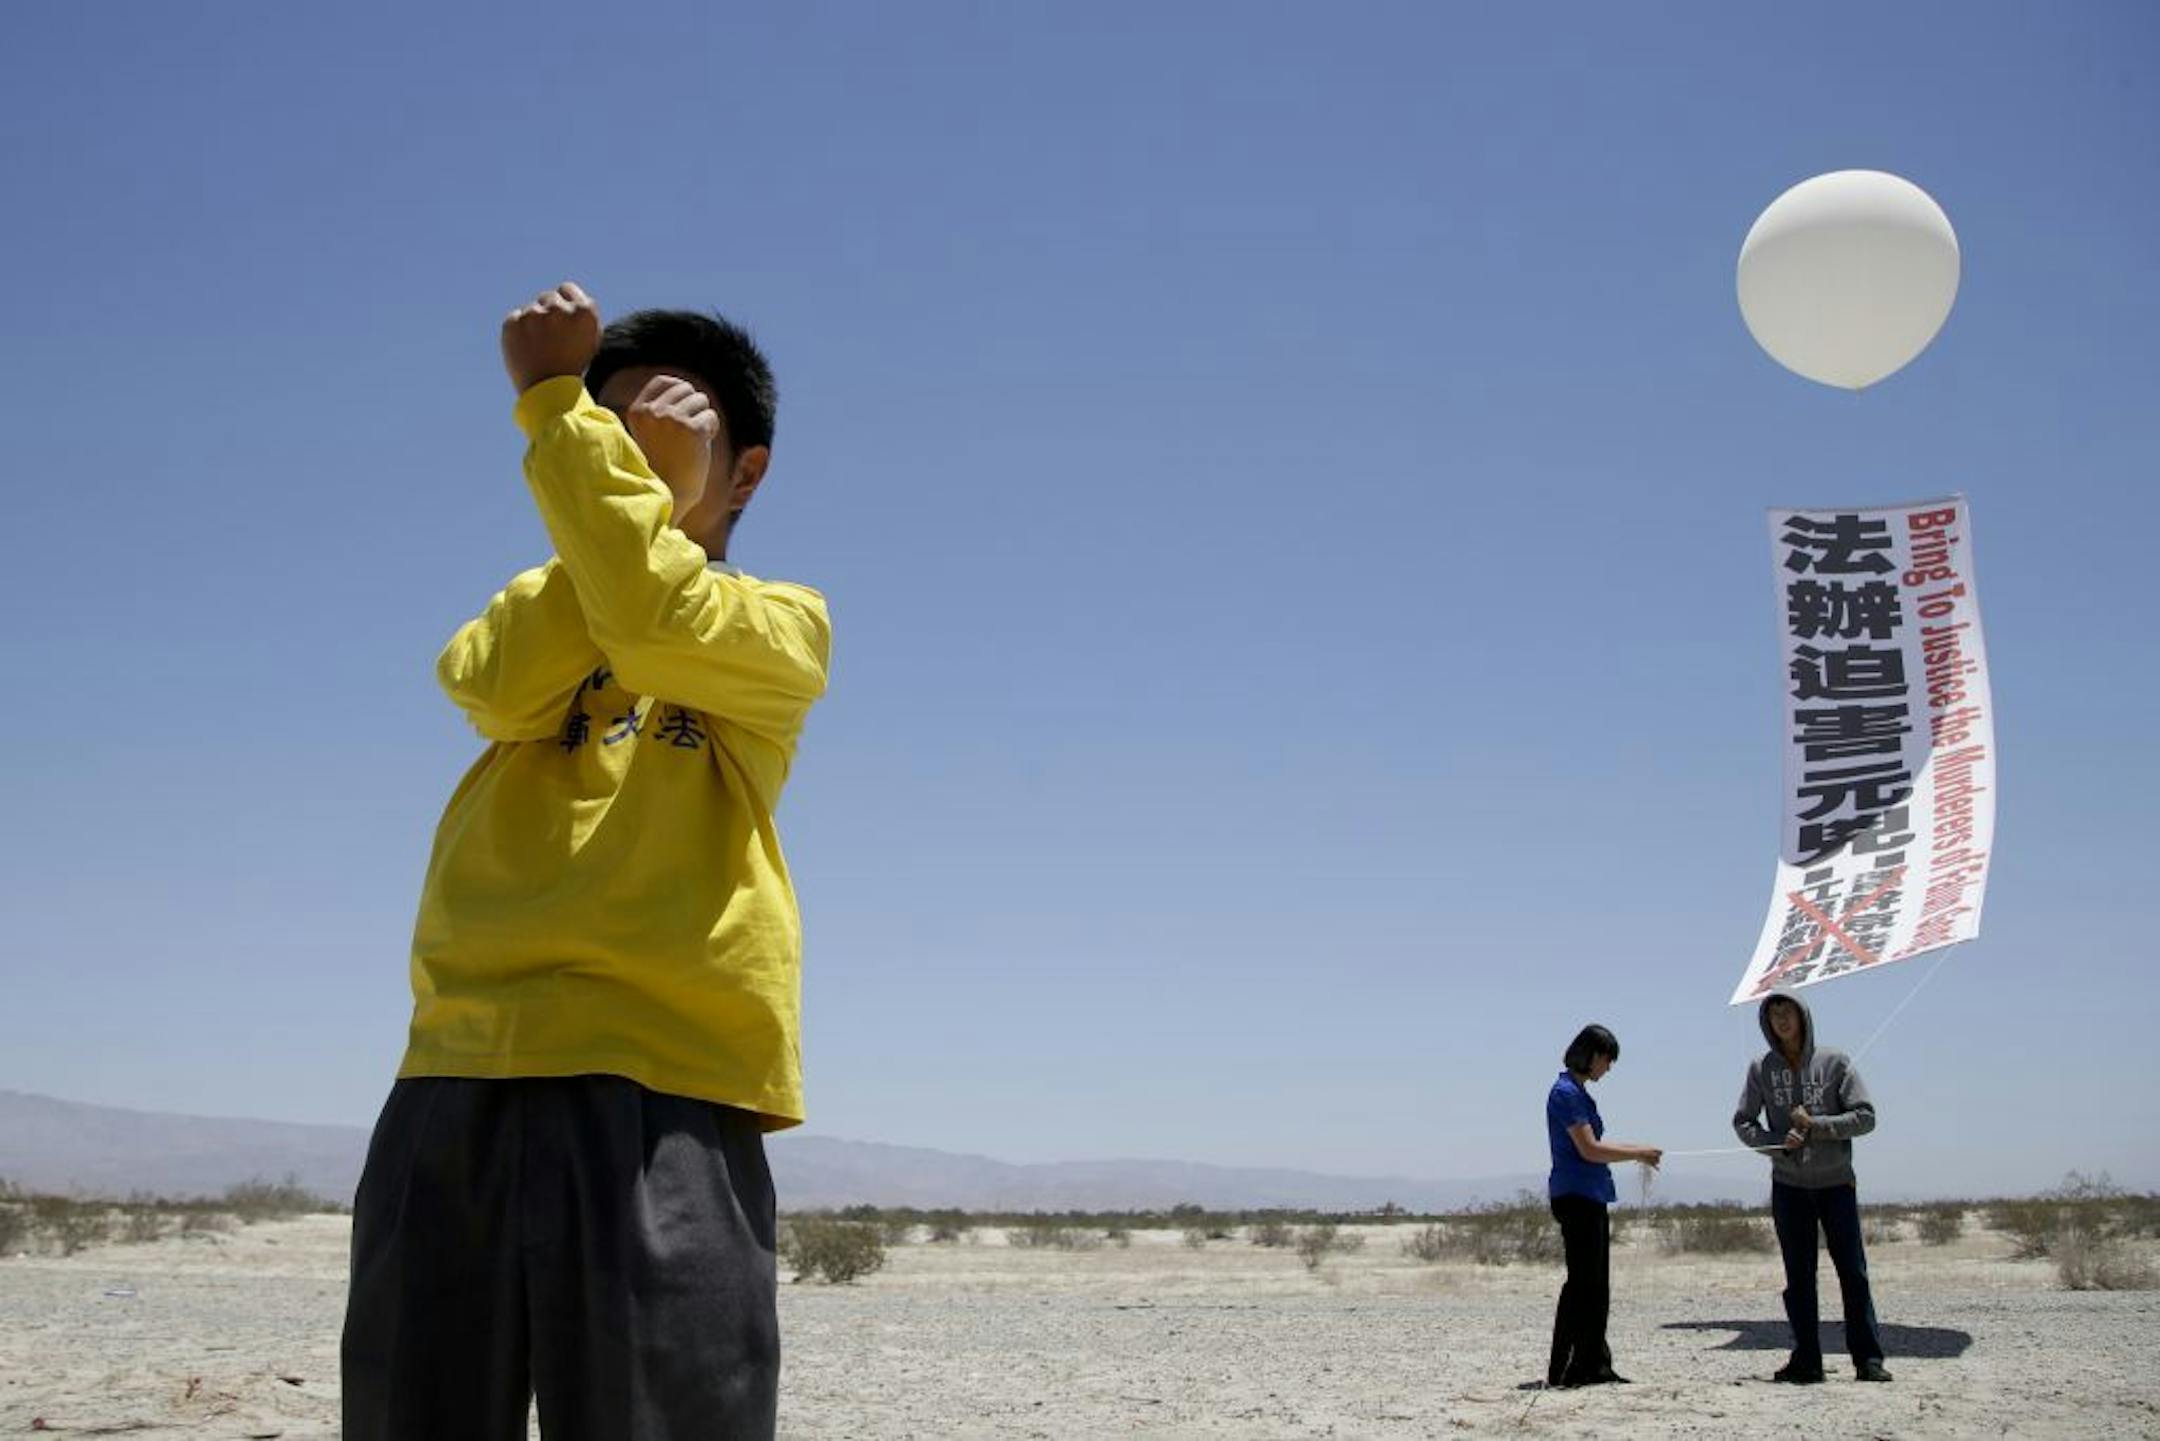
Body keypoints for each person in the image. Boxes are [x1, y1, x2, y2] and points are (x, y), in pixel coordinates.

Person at [341, 283, 833, 1439]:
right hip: (458, 1067)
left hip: (669, 1082)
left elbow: (658, 621)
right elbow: (492, 687)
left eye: (675, 422)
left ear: (749, 472)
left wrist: (582, 439)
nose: (629, 449)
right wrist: (630, 487)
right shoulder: (533, 605)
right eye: (608, 431)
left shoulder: (784, 622)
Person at [1732, 990, 1892, 1384]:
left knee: (1852, 1273)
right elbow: (1743, 1122)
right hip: (1789, 1186)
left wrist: (1817, 1127)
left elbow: (1866, 1117)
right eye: (1774, 1015)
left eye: (1788, 1012)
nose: (1782, 1020)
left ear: (1803, 1016)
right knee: (1799, 1277)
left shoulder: (1835, 1062)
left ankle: (1868, 1360)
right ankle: (1807, 1360)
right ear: (1766, 1023)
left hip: (1836, 1183)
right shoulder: (1761, 1069)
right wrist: (1775, 1144)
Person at [1546, 1024, 1663, 1388]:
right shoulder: (1564, 1093)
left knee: (1596, 1287)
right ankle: (1565, 1368)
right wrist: (1638, 1153)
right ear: (1593, 1055)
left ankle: (1594, 1363)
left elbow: (1598, 1143)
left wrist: (1640, 1150)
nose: (1608, 1068)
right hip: (1575, 1196)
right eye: (1608, 1060)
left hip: (1592, 1196)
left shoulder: (1580, 1094)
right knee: (1582, 1285)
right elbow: (1590, 1149)